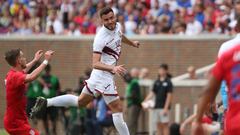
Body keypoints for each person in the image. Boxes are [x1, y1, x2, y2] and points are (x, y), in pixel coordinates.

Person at [31, 6, 140, 135]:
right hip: (103, 75)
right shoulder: (100, 38)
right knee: (118, 108)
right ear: (101, 21)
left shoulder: (117, 26)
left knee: (80, 102)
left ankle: (47, 102)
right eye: (106, 20)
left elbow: (120, 36)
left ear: (114, 16)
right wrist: (113, 67)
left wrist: (132, 43)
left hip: (100, 76)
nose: (110, 21)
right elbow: (95, 63)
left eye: (111, 18)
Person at [191, 17, 240, 135]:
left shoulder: (228, 50)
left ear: (237, 28)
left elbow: (210, 89)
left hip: (235, 121)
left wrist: (198, 121)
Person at [3, 49, 54, 135]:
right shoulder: (15, 76)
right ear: (18, 60)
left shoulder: (13, 74)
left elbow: (24, 70)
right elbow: (31, 76)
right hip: (15, 122)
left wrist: (35, 60)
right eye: (22, 56)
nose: (25, 58)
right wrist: (46, 61)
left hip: (18, 120)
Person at [143, 64, 173, 135]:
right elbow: (152, 93)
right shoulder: (157, 82)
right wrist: (145, 101)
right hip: (156, 106)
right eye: (159, 70)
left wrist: (166, 108)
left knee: (165, 124)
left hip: (164, 107)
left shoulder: (168, 82)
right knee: (158, 125)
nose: (160, 71)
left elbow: (169, 96)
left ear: (166, 71)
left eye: (162, 70)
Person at [125, 68, 142, 135]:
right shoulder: (130, 83)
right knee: (131, 123)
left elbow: (134, 94)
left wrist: (125, 97)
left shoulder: (134, 82)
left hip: (134, 104)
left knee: (131, 123)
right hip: (130, 104)